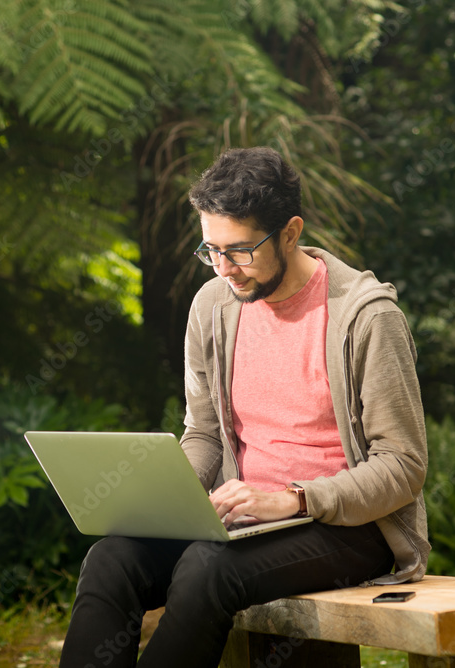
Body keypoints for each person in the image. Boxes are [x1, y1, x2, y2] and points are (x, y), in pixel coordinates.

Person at [58, 146, 428, 668]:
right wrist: (174, 499)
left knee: (207, 568)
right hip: (244, 524)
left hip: (349, 527)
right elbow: (205, 433)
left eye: (240, 251)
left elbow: (404, 465)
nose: (224, 269)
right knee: (111, 559)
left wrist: (296, 499)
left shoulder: (367, 318)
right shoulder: (212, 306)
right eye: (211, 250)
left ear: (291, 232)